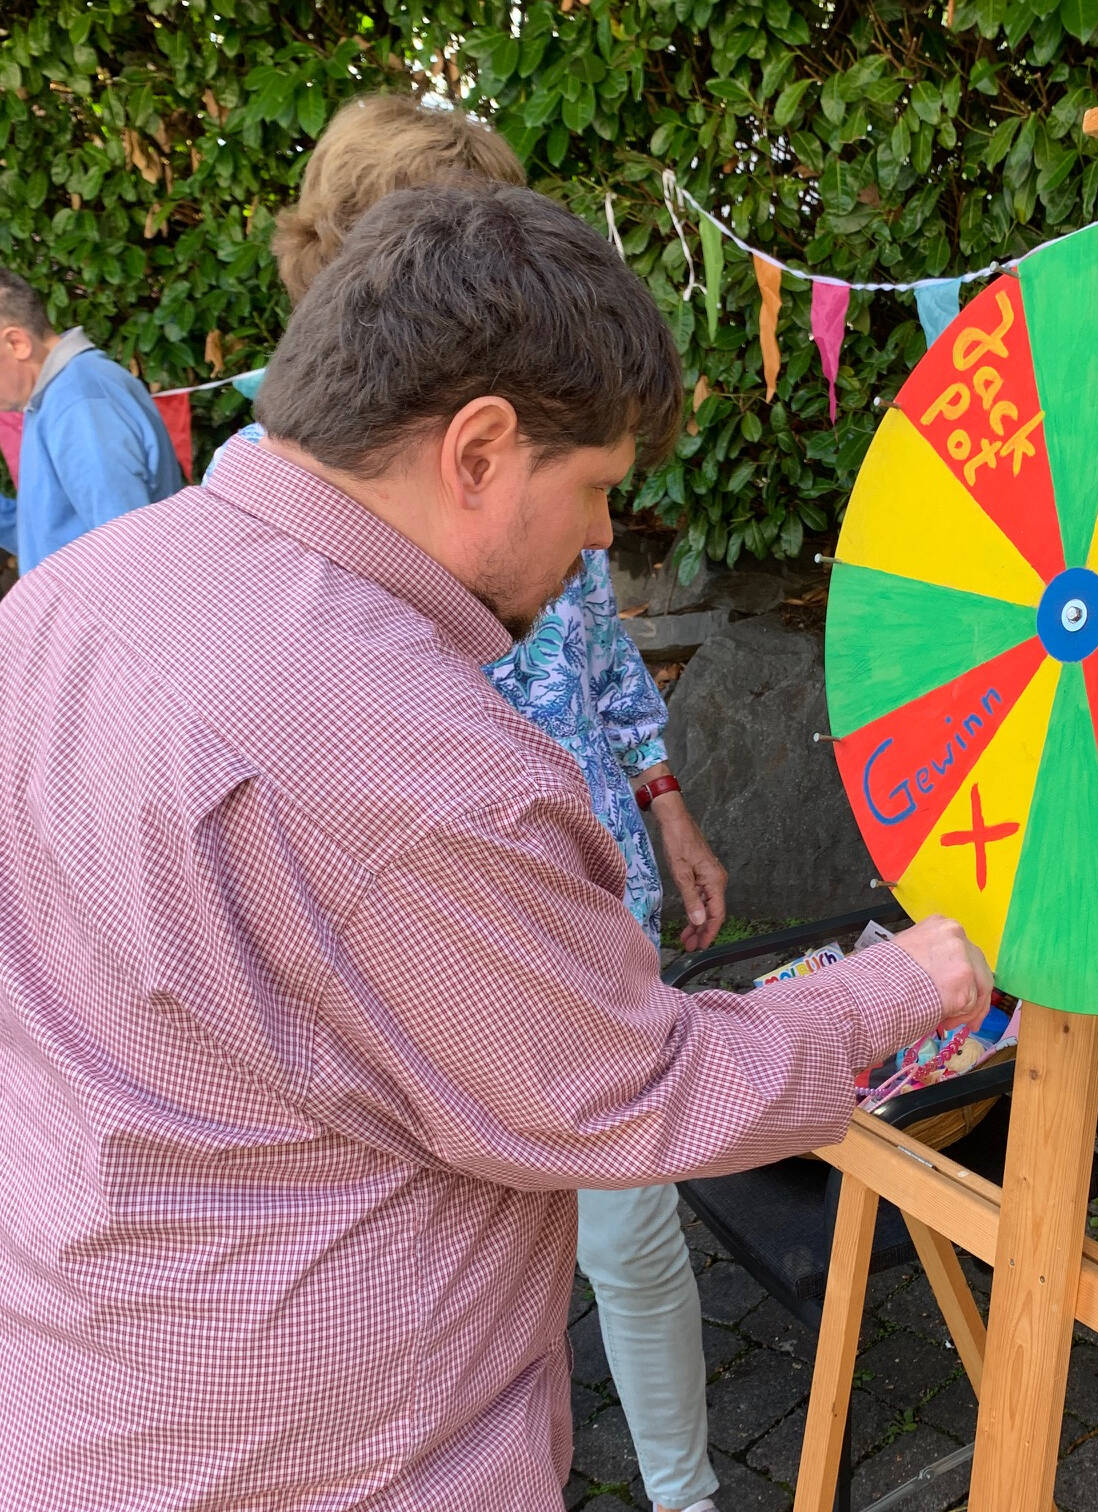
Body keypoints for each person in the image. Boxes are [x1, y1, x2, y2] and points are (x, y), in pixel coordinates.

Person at [0, 181, 995, 1512]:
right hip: (337, 1464)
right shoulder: (417, 768)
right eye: (591, 490)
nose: (600, 537)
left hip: (84, 1399)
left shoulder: (67, 598)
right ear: (475, 453)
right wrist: (900, 989)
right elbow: (626, 1087)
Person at [208, 91, 731, 1512]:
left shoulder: (528, 450)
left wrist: (662, 791)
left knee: (633, 1233)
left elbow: (592, 634)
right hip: (415, 976)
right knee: (448, 1274)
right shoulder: (260, 490)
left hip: (587, 905)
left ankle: (683, 1491)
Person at [0, 268, 182, 573]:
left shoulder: (79, 405)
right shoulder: (53, 397)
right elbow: (50, 537)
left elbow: (129, 557)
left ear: (17, 343)